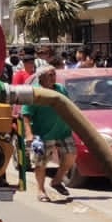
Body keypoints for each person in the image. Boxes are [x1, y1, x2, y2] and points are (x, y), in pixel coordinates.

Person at [22, 62, 77, 201]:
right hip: (43, 134)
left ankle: (56, 181)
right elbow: (26, 115)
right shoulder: (34, 93)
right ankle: (40, 190)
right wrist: (29, 134)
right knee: (41, 163)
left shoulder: (61, 89)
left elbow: (68, 107)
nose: (53, 78)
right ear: (41, 77)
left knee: (71, 156)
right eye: (50, 75)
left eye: (54, 75)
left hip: (63, 131)